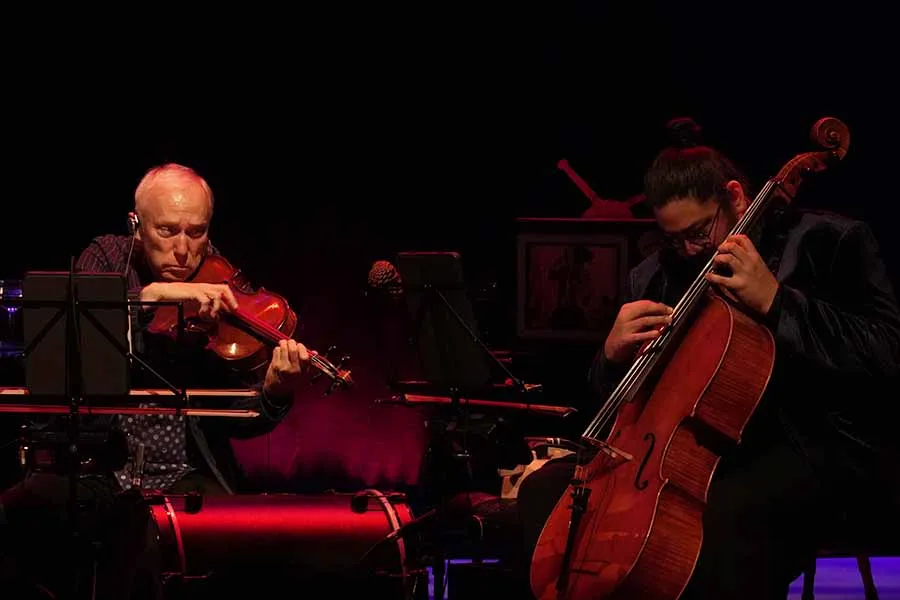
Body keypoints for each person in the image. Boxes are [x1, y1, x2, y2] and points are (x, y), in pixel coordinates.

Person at [518, 118, 900, 599]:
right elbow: (618, 408)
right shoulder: (654, 274)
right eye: (672, 238)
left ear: (736, 198)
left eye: (699, 233)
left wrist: (778, 302)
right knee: (541, 493)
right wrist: (610, 355)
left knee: (706, 532)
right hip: (685, 454)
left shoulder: (830, 241)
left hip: (807, 445)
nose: (688, 251)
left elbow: (886, 351)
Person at [0, 163, 312, 598]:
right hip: (97, 468)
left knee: (238, 546)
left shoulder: (221, 285)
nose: (184, 251)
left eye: (196, 232)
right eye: (167, 232)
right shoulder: (109, 256)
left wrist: (273, 392)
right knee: (16, 512)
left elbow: (235, 419)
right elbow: (84, 342)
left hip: (187, 471)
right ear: (137, 224)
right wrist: (151, 297)